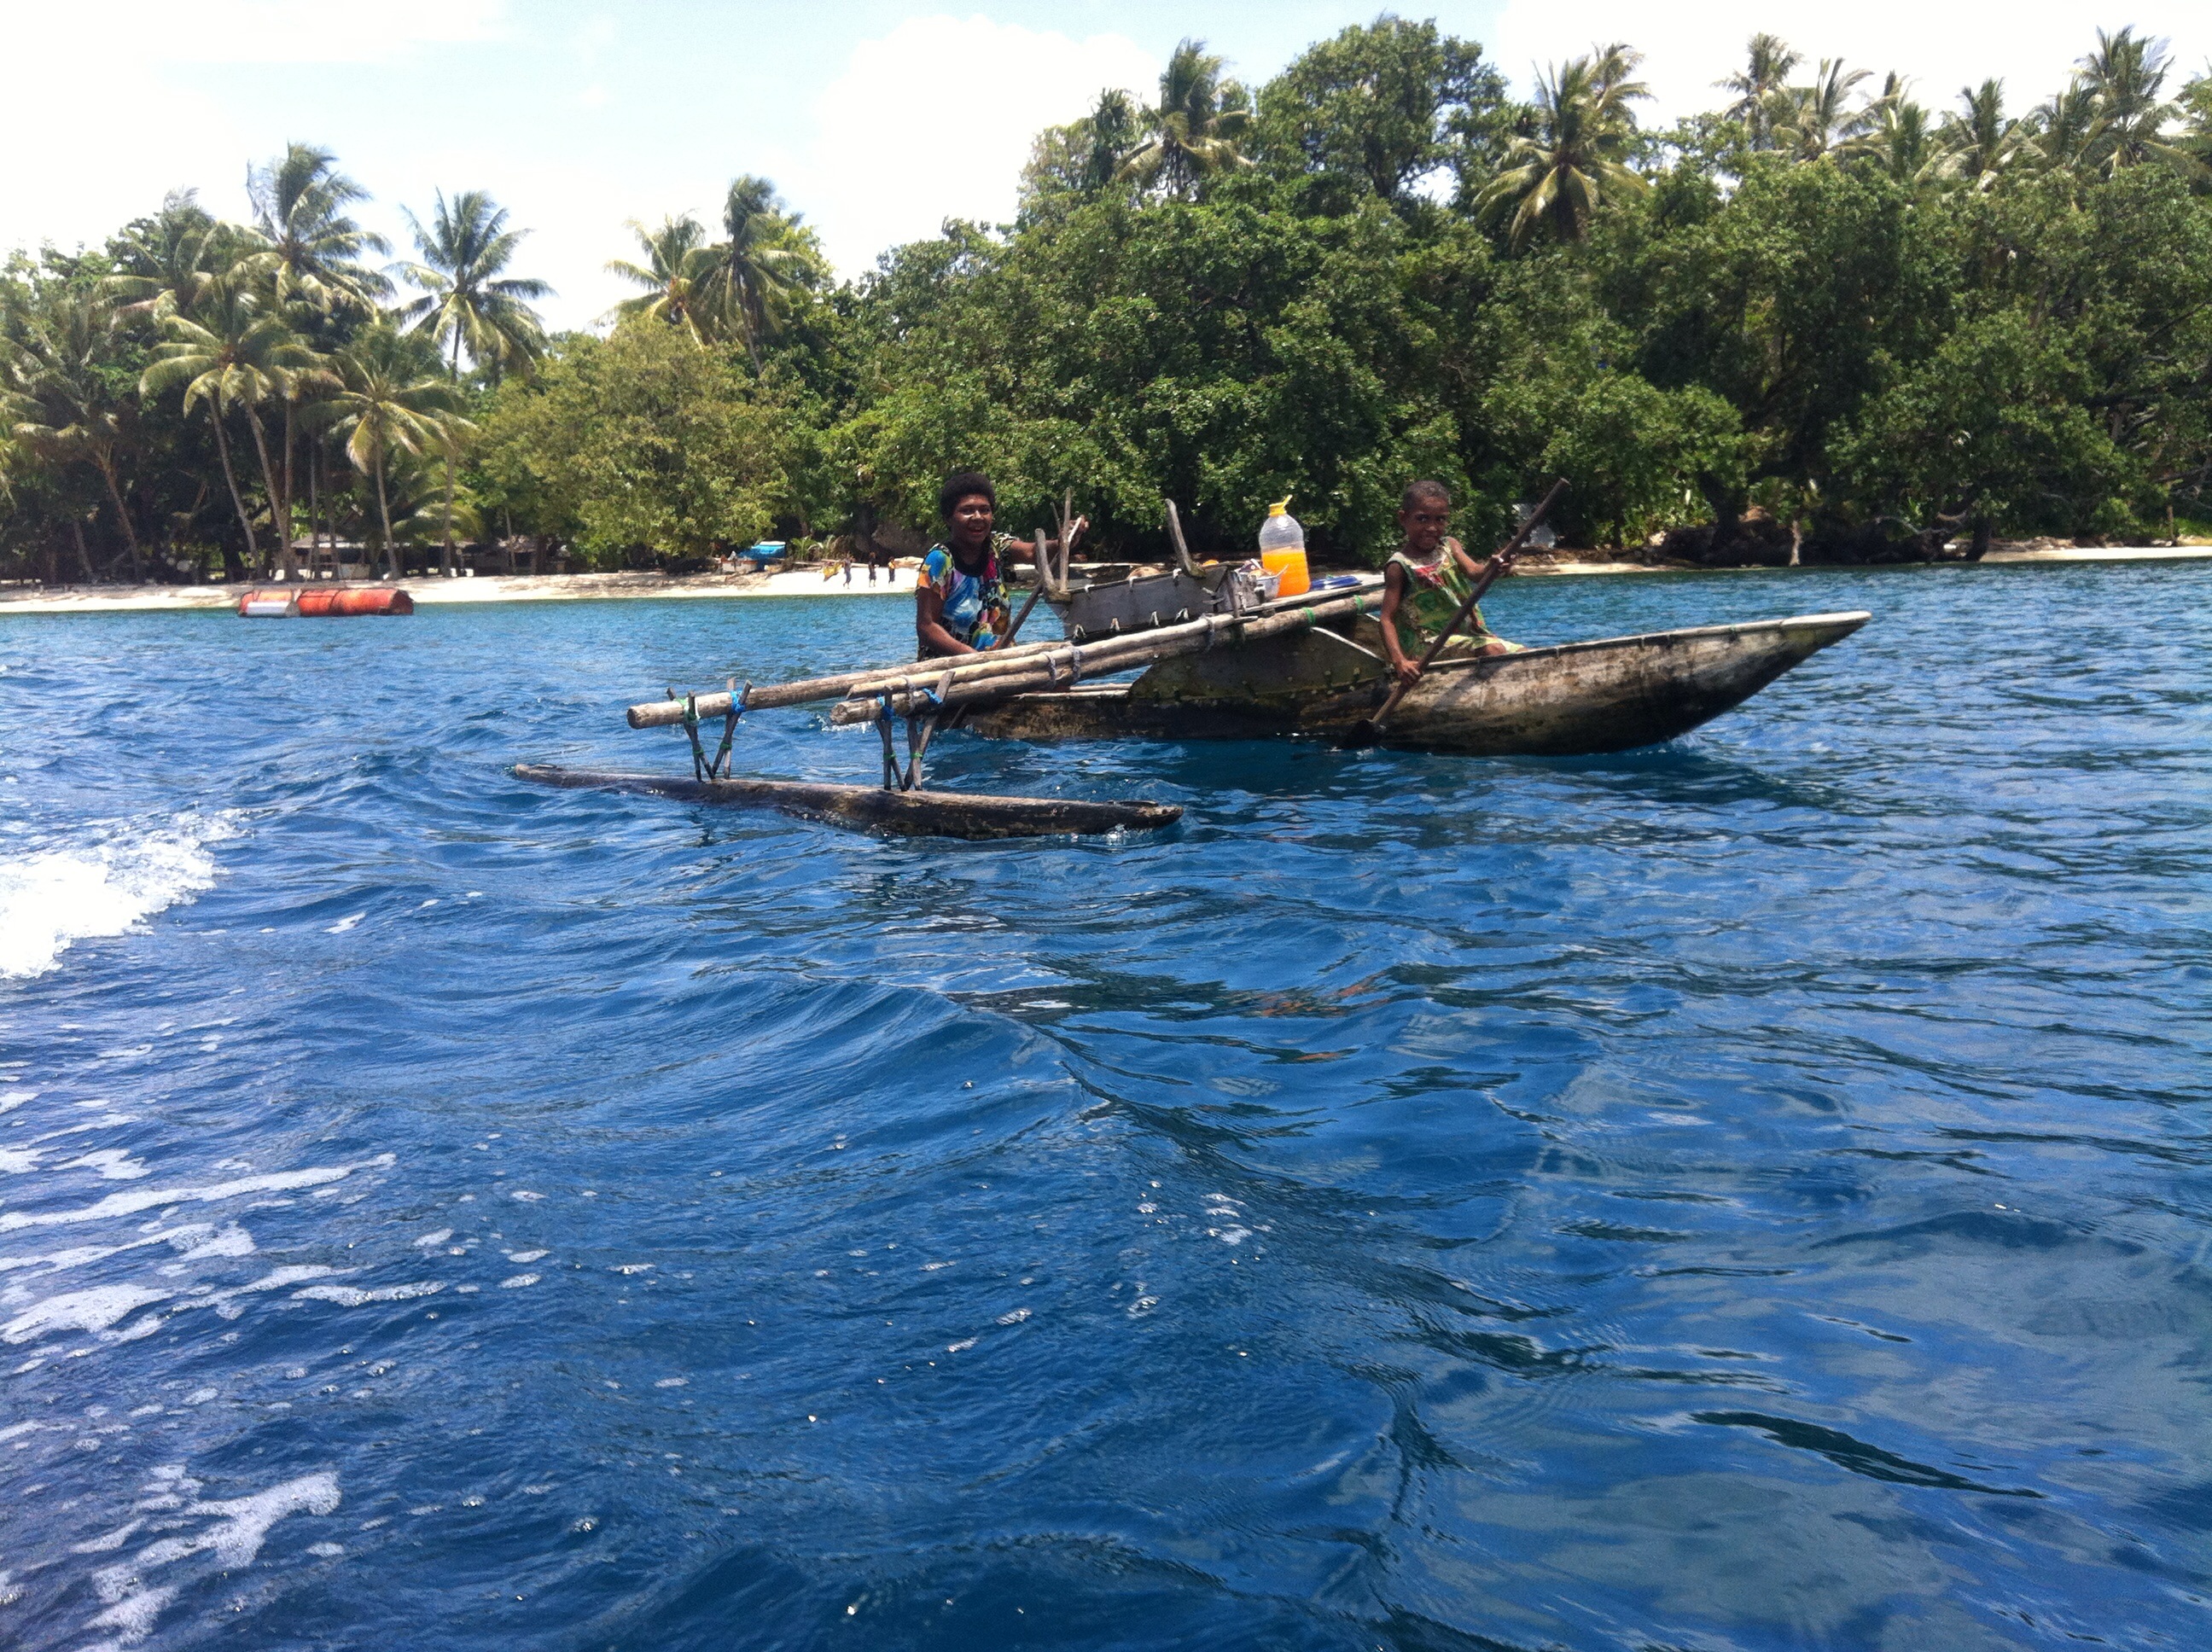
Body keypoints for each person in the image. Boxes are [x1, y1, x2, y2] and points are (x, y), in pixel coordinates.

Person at [1377, 479, 1522, 689]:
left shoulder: (1449, 546)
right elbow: (1386, 618)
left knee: (1525, 654)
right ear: (1403, 518)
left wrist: (1494, 566)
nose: (1432, 528)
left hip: (1467, 635)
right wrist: (1400, 662)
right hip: (1429, 645)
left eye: (1440, 520)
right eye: (1422, 519)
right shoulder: (1399, 566)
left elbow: (1476, 573)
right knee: (1493, 650)